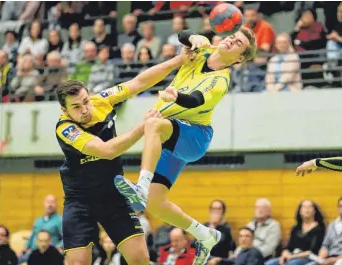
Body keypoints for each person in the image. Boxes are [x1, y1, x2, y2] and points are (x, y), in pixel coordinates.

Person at [114, 26, 257, 265]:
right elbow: (182, 35)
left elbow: (196, 100)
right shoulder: (203, 47)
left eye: (239, 44)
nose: (231, 41)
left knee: (154, 125)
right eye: (232, 37)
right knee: (155, 204)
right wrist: (191, 39)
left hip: (195, 136)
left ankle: (140, 185)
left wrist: (174, 97)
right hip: (174, 136)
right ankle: (205, 234)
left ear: (240, 58)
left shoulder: (221, 80)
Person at [54, 50, 192, 265]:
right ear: (64, 110)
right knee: (78, 263)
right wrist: (143, 127)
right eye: (76, 107)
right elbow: (108, 150)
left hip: (114, 196)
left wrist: (180, 60)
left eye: (85, 102)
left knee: (140, 259)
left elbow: (139, 82)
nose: (85, 110)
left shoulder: (101, 101)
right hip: (81, 202)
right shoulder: (66, 129)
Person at [265, 200, 325, 265]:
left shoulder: (319, 228)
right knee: (269, 263)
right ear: (300, 211)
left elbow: (312, 251)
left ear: (314, 211)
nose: (307, 209)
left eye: (310, 207)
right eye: (304, 207)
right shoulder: (296, 228)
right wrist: (284, 255)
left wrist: (292, 257)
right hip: (292, 256)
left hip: (308, 258)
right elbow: (289, 247)